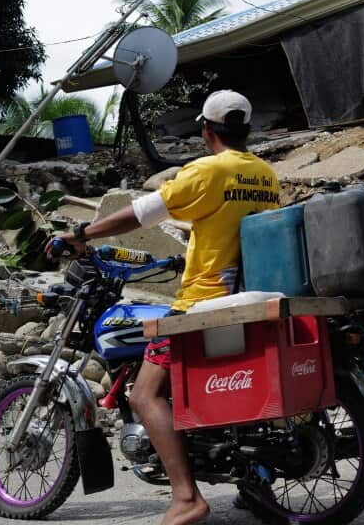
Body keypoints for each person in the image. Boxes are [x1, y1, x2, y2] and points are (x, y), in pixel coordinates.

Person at [47, 90, 280, 525]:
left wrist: (82, 233)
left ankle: (186, 497)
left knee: (144, 392)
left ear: (206, 129)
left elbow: (140, 214)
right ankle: (253, 484)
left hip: (203, 301)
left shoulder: (208, 170)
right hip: (250, 294)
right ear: (244, 129)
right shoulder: (265, 174)